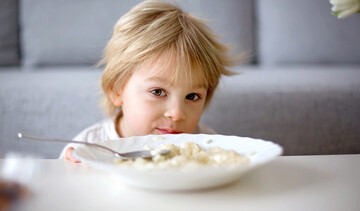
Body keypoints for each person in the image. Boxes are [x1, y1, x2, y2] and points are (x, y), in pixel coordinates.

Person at [60, 0, 241, 162]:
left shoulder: (206, 144)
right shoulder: (90, 148)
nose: (177, 114)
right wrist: (76, 174)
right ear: (117, 91)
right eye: (158, 92)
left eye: (192, 96)